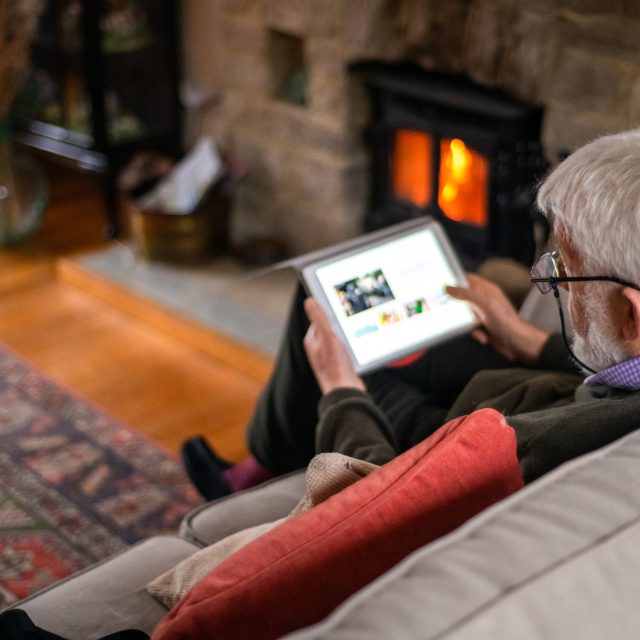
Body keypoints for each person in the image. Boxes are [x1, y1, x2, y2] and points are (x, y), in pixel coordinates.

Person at [183, 128, 640, 500]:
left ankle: (250, 472)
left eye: (565, 269)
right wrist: (529, 338)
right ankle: (263, 459)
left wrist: (342, 393)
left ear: (632, 316)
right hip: (522, 388)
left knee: (320, 311)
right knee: (412, 321)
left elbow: (383, 498)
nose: (556, 286)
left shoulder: (537, 451)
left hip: (447, 433)